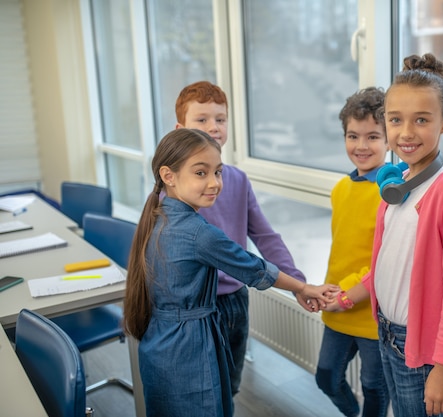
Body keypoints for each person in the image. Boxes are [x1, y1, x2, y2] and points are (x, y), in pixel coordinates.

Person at [123, 128, 338, 417]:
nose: (214, 183)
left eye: (218, 172)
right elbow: (254, 268)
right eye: (201, 173)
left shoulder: (155, 217)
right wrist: (303, 287)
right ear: (168, 175)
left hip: (159, 343)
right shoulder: (199, 233)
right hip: (190, 345)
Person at [324, 53, 443, 417]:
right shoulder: (399, 182)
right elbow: (387, 263)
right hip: (387, 333)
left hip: (421, 346)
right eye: (396, 120)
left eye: (421, 120)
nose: (406, 133)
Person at [174, 81, 308, 396]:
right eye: (202, 119)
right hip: (195, 306)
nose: (213, 127)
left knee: (230, 387)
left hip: (235, 301)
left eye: (220, 119)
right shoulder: (173, 189)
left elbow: (264, 235)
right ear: (180, 129)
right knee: (203, 391)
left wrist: (297, 282)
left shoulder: (236, 180)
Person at [315, 87, 390, 417]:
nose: (361, 146)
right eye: (353, 136)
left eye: (373, 137)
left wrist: (350, 294)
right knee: (327, 377)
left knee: (375, 385)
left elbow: (387, 264)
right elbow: (342, 248)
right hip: (336, 306)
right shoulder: (340, 189)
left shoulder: (392, 193)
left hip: (374, 314)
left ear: (389, 141)